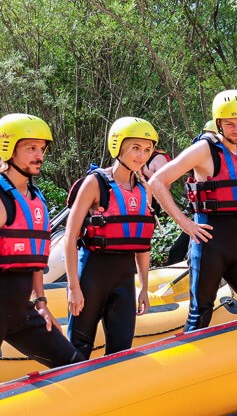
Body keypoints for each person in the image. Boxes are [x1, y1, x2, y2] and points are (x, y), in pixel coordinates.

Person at [0, 113, 85, 394]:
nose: (39, 156)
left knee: (74, 365)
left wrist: (41, 302)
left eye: (41, 149)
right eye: (31, 149)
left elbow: (35, 258)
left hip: (24, 312)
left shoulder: (36, 198)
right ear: (7, 148)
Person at [150, 89, 237, 331]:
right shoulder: (204, 150)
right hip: (208, 248)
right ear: (219, 124)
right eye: (230, 124)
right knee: (200, 315)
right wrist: (186, 224)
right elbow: (157, 181)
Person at [64, 117, 155, 359]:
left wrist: (144, 287)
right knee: (79, 348)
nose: (141, 156)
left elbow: (142, 243)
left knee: (121, 351)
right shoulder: (96, 183)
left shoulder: (145, 188)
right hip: (92, 274)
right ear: (118, 146)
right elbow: (70, 236)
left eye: (147, 150)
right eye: (136, 148)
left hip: (124, 279)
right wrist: (73, 287)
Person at [166, 119, 222, 266]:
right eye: (206, 135)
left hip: (217, 222)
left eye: (211, 136)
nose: (206, 140)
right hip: (198, 216)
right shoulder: (199, 155)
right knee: (177, 250)